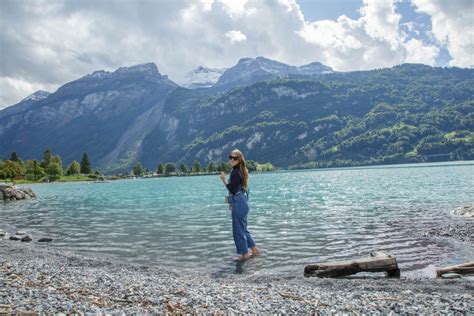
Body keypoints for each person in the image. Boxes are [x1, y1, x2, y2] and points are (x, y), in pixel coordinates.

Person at [219, 149, 260, 261]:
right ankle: (254, 250)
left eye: (235, 158)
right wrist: (232, 202)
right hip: (241, 202)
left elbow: (232, 189)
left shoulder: (236, 172)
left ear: (240, 160)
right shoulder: (239, 171)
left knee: (238, 230)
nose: (232, 159)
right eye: (230, 157)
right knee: (243, 229)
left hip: (239, 203)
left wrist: (223, 180)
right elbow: (238, 190)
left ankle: (244, 254)